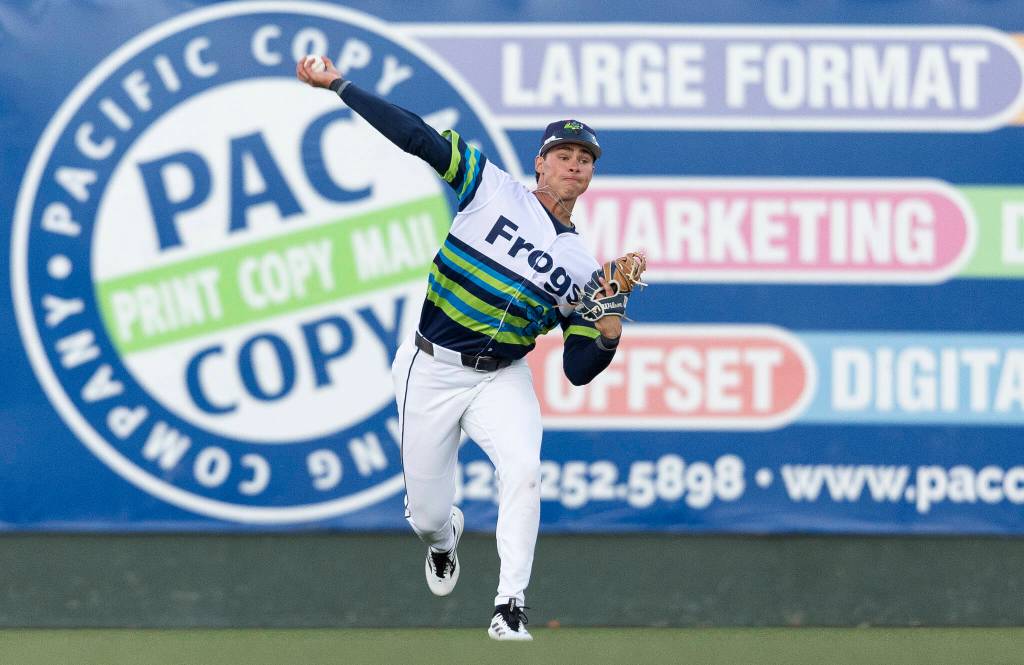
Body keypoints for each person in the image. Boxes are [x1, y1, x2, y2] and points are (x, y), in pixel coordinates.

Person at [297, 56, 639, 641]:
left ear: (590, 176)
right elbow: (416, 137)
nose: (574, 166)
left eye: (584, 161)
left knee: (524, 472)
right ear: (542, 162)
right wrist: (338, 85)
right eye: (564, 156)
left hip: (500, 376)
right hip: (431, 367)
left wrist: (608, 327)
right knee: (428, 516)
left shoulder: (583, 267)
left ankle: (511, 604)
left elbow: (579, 369)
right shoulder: (489, 185)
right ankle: (442, 540)